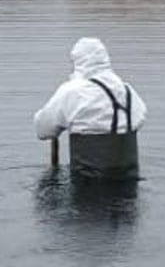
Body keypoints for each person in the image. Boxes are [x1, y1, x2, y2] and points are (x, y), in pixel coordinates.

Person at [34, 37, 147, 180]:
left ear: (77, 61)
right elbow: (141, 117)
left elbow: (43, 130)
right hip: (128, 178)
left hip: (87, 183)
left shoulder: (72, 91)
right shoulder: (128, 90)